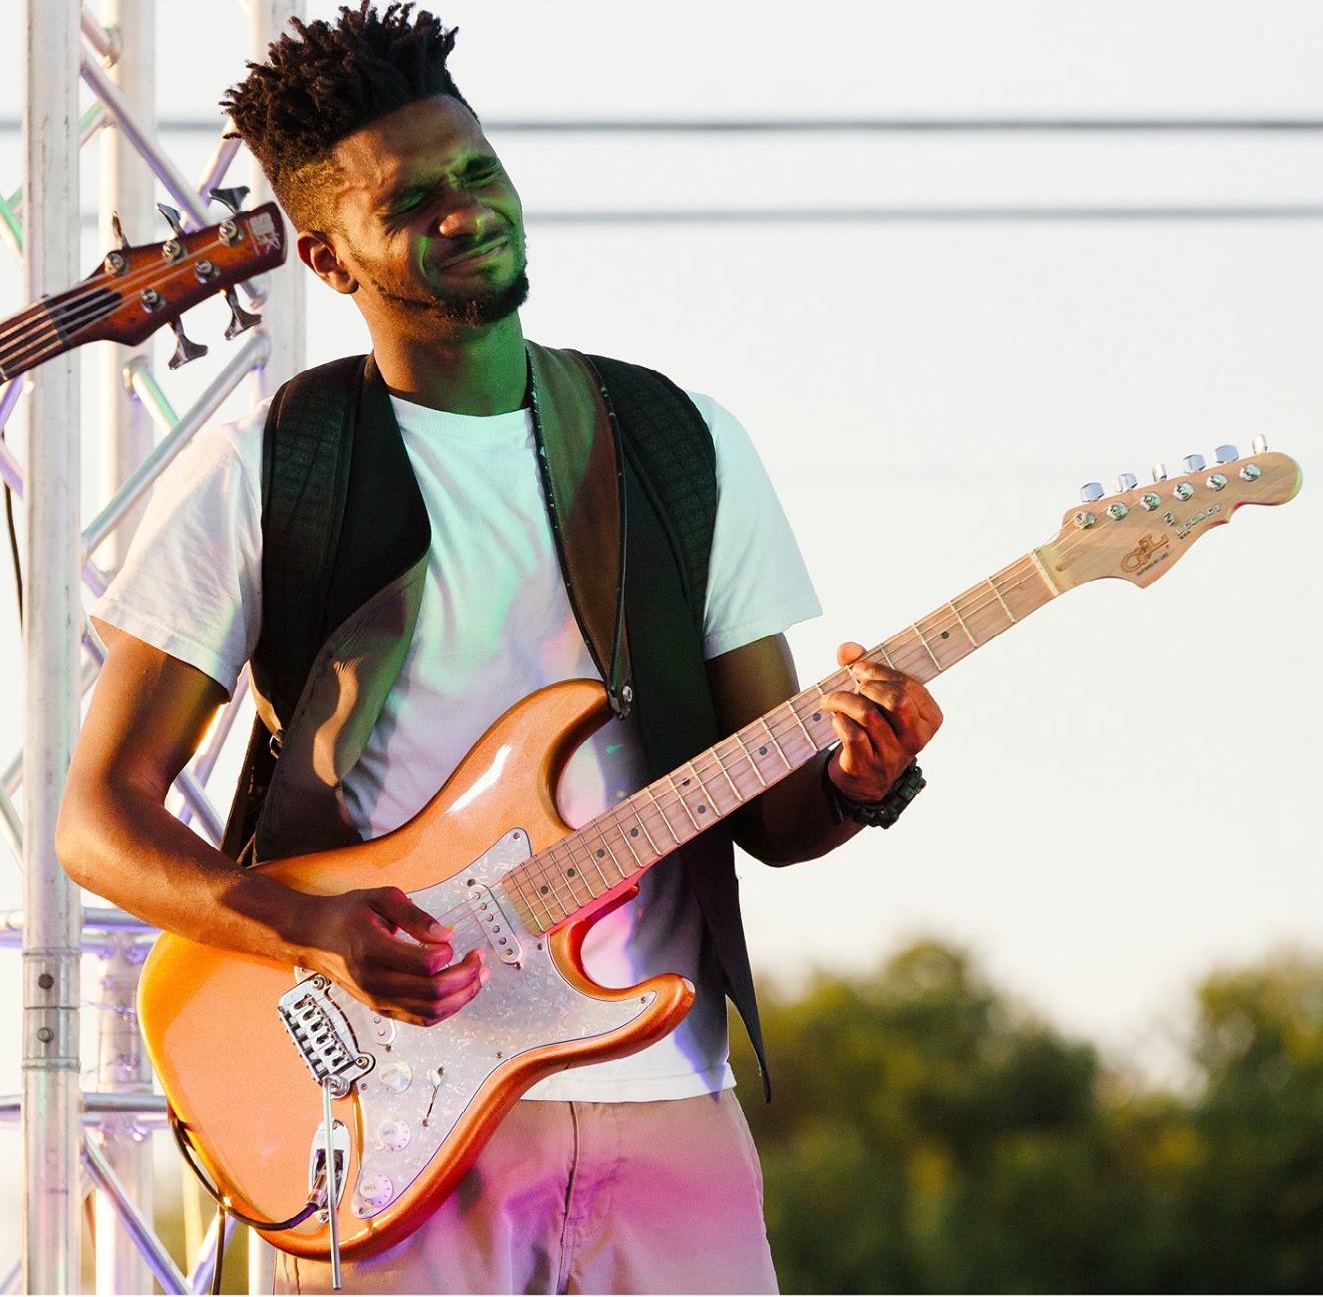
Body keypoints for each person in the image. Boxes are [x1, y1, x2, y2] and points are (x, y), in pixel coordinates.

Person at [56, 4, 942, 1292]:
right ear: (329, 257)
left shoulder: (681, 445)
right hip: (383, 1117)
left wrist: (862, 780)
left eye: (477, 170)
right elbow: (99, 820)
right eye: (412, 201)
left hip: (666, 1100)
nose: (466, 210)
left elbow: (773, 814)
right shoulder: (270, 473)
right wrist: (309, 927)